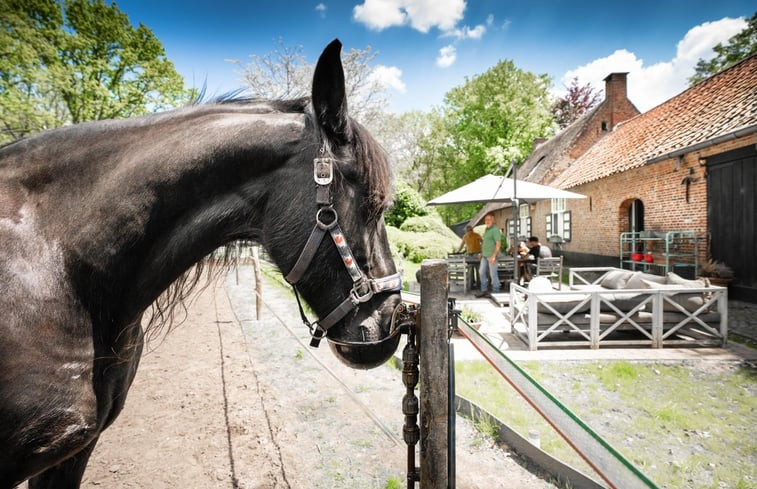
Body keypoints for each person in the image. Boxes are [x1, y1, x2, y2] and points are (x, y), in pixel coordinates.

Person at [476, 214, 501, 297]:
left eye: (489, 219)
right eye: (486, 219)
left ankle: (496, 292)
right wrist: (482, 253)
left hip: (491, 256)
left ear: (493, 220)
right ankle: (484, 290)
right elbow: (486, 243)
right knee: (481, 272)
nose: (487, 221)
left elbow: (498, 244)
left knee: (493, 274)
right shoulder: (487, 229)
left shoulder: (495, 230)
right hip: (484, 256)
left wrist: (493, 256)